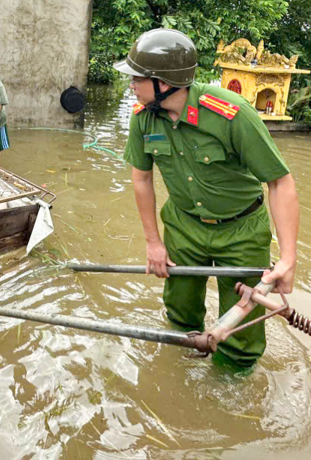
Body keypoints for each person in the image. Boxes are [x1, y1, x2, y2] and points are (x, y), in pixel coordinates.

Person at [115, 28, 299, 370]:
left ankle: (230, 387)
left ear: (164, 82)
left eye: (137, 78)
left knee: (241, 325)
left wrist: (288, 258)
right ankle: (181, 369)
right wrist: (153, 243)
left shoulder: (231, 113)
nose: (131, 85)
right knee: (180, 312)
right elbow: (141, 179)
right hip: (184, 227)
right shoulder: (142, 118)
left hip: (241, 230)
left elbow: (280, 182)